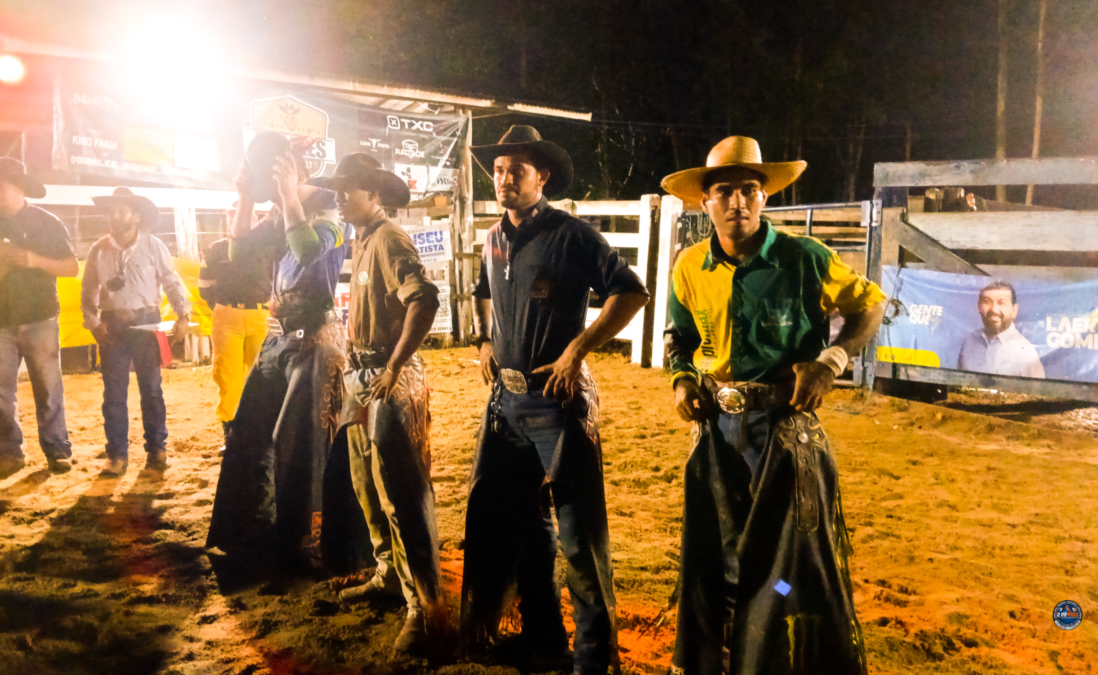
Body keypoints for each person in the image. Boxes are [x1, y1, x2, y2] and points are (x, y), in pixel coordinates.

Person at [661, 136, 885, 675]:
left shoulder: (804, 258)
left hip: (783, 428)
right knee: (718, 549)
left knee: (787, 557)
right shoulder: (689, 266)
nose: (737, 202)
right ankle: (723, 655)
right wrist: (681, 379)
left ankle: (773, 656)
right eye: (724, 191)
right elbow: (679, 335)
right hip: (716, 428)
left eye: (749, 190)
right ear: (705, 201)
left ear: (764, 197)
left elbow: (870, 305)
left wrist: (831, 360)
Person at [461, 125, 650, 675]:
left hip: (557, 403)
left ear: (541, 176)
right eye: (498, 170)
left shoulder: (572, 235)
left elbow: (630, 291)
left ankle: (593, 660)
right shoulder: (493, 238)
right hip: (506, 404)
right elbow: (482, 292)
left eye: (515, 170)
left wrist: (578, 350)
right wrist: (483, 341)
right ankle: (544, 639)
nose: (503, 179)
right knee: (523, 527)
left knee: (579, 536)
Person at [207, 133, 370, 577]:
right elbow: (239, 253)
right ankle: (249, 534)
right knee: (247, 433)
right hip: (278, 339)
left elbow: (307, 249)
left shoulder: (330, 206)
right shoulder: (281, 209)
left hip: (316, 340)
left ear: (294, 170)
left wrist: (287, 196)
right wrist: (245, 199)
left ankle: (305, 545)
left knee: (298, 444)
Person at [309, 153, 441, 655]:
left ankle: (422, 606)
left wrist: (394, 366)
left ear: (375, 194)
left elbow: (423, 299)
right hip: (363, 375)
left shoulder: (388, 239)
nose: (340, 197)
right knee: (368, 486)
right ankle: (389, 575)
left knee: (399, 494)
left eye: (350, 188)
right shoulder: (363, 239)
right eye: (338, 188)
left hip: (386, 376)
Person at [0, 158, 78, 477]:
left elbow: (71, 267)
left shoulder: (47, 222)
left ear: (19, 188)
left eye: (1, 185)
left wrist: (35, 260)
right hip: (0, 317)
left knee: (48, 388)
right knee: (1, 392)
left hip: (39, 315)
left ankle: (55, 449)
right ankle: (10, 452)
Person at [81, 187, 191, 477]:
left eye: (121, 210)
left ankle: (157, 449)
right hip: (112, 326)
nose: (114, 216)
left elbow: (171, 281)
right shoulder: (98, 250)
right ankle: (117, 455)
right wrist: (94, 323)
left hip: (147, 324)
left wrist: (183, 314)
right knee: (114, 393)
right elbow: (88, 289)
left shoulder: (153, 246)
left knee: (151, 389)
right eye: (112, 210)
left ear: (136, 216)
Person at [199, 203, 271, 440]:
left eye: (243, 216)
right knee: (228, 377)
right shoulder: (216, 249)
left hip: (260, 316)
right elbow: (205, 287)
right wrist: (222, 308)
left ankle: (257, 433)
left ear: (255, 220)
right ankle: (231, 433)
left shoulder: (269, 247)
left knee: (261, 376)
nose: (237, 220)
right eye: (232, 217)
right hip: (229, 317)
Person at [956, 280, 1044, 378]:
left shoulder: (1026, 353)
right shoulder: (970, 341)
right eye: (987, 302)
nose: (994, 309)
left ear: (1014, 310)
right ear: (979, 307)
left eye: (1001, 303)